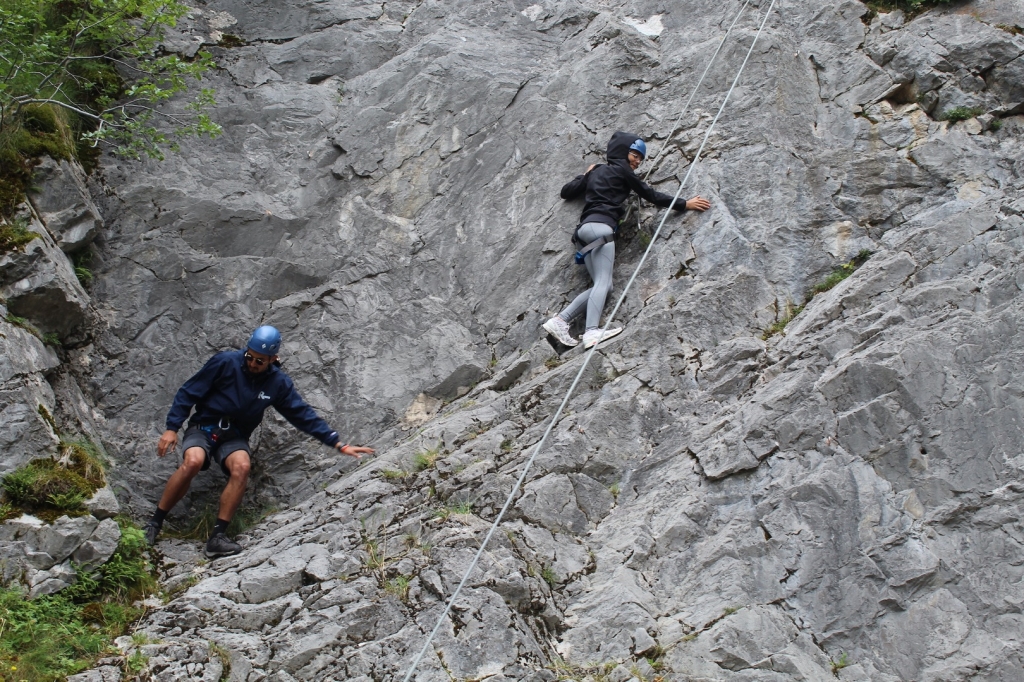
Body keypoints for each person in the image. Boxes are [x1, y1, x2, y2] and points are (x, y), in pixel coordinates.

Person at [144, 326, 374, 557]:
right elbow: (188, 392)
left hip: (234, 437)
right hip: (204, 426)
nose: (253, 363)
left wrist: (338, 443)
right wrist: (172, 428)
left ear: (273, 359)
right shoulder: (225, 362)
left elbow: (302, 415)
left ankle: (217, 538)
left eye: (260, 361)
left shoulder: (277, 383)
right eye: (250, 357)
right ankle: (155, 523)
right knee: (193, 461)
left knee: (242, 466)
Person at [543, 131, 711, 349]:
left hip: (584, 232)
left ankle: (561, 320)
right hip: (602, 229)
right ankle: (592, 332)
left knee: (605, 286)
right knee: (603, 282)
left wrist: (585, 175)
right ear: (622, 152)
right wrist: (684, 204)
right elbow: (649, 194)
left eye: (641, 158)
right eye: (635, 155)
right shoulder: (622, 170)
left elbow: (567, 192)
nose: (638, 162)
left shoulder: (597, 171)